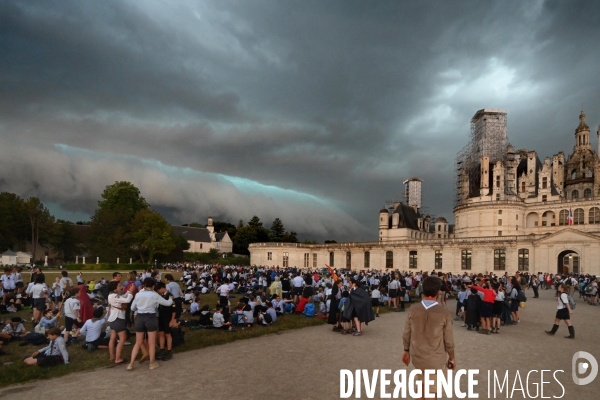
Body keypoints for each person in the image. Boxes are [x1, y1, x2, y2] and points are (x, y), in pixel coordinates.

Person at [402, 276, 455, 399]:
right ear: (438, 292)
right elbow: (448, 340)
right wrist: (452, 358)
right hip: (435, 358)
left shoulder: (413, 309)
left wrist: (406, 350)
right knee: (432, 392)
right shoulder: (443, 313)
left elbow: (406, 333)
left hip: (418, 355)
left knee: (421, 386)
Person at [128, 278, 173, 371]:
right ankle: (152, 363)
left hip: (140, 317)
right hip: (150, 317)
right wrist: (171, 299)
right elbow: (167, 304)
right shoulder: (154, 295)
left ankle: (131, 363)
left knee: (138, 342)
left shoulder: (138, 294)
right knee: (151, 343)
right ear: (153, 286)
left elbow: (132, 307)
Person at [107, 280, 134, 364]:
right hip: (118, 318)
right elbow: (127, 300)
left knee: (112, 338)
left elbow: (123, 297)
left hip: (112, 319)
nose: (121, 287)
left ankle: (112, 356)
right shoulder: (115, 296)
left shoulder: (111, 295)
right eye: (119, 286)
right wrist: (131, 292)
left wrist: (128, 291)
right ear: (115, 289)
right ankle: (118, 358)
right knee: (122, 338)